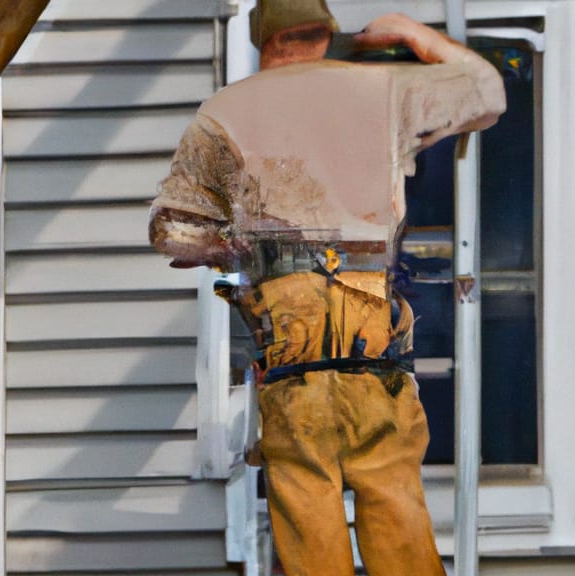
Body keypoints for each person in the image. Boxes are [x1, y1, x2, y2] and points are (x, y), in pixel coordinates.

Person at [148, 1, 506, 574]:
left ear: (262, 39)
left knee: (306, 505)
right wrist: (412, 33)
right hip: (373, 339)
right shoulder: (382, 89)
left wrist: (242, 246)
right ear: (328, 33)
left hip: (291, 346)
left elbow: (174, 233)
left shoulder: (226, 110)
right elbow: (487, 92)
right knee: (393, 499)